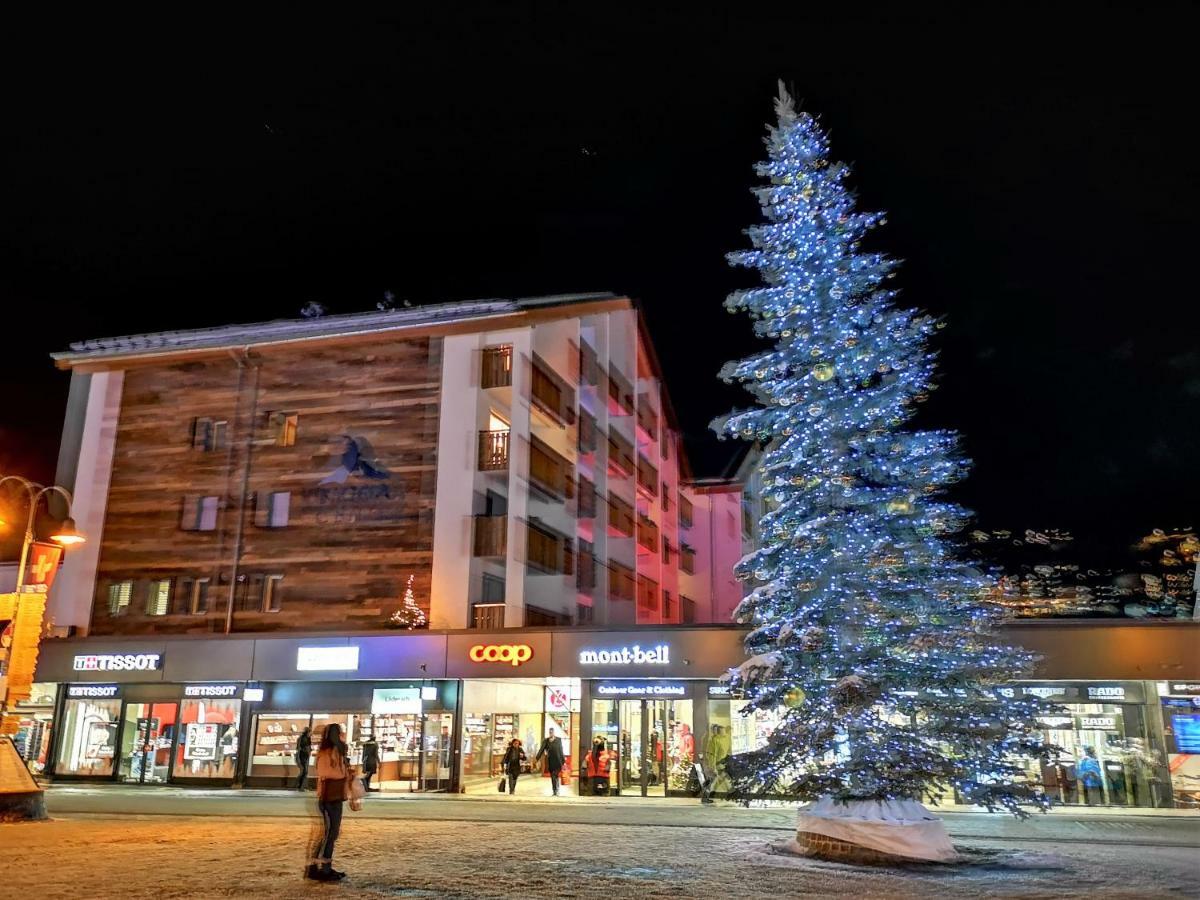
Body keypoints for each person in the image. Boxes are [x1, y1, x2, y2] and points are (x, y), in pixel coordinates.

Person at [307, 724, 356, 882]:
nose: (343, 735)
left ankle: (317, 867)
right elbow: (326, 773)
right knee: (329, 834)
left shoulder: (337, 751)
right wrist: (344, 774)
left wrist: (347, 772)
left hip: (335, 797)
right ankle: (322, 868)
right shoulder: (326, 753)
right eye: (340, 733)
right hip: (328, 798)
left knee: (331, 833)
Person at [701, 724, 731, 804]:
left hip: (721, 763)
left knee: (717, 780)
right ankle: (706, 796)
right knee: (713, 780)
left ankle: (707, 795)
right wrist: (712, 766)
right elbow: (711, 754)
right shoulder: (713, 740)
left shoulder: (725, 739)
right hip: (716, 764)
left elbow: (726, 751)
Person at [535, 727, 566, 796]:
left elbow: (561, 750)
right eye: (550, 732)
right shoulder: (546, 741)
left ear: (554, 732)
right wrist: (537, 758)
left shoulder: (558, 740)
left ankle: (556, 789)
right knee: (553, 776)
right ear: (549, 733)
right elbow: (541, 749)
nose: (551, 733)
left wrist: (563, 761)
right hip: (551, 761)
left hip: (558, 761)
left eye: (552, 732)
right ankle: (555, 790)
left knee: (556, 775)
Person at [294, 727, 312, 791]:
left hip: (304, 756)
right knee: (304, 771)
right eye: (310, 732)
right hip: (303, 756)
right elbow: (302, 748)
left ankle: (300, 786)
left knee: (304, 771)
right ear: (308, 732)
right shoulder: (304, 738)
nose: (311, 734)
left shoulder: (306, 738)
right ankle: (299, 786)